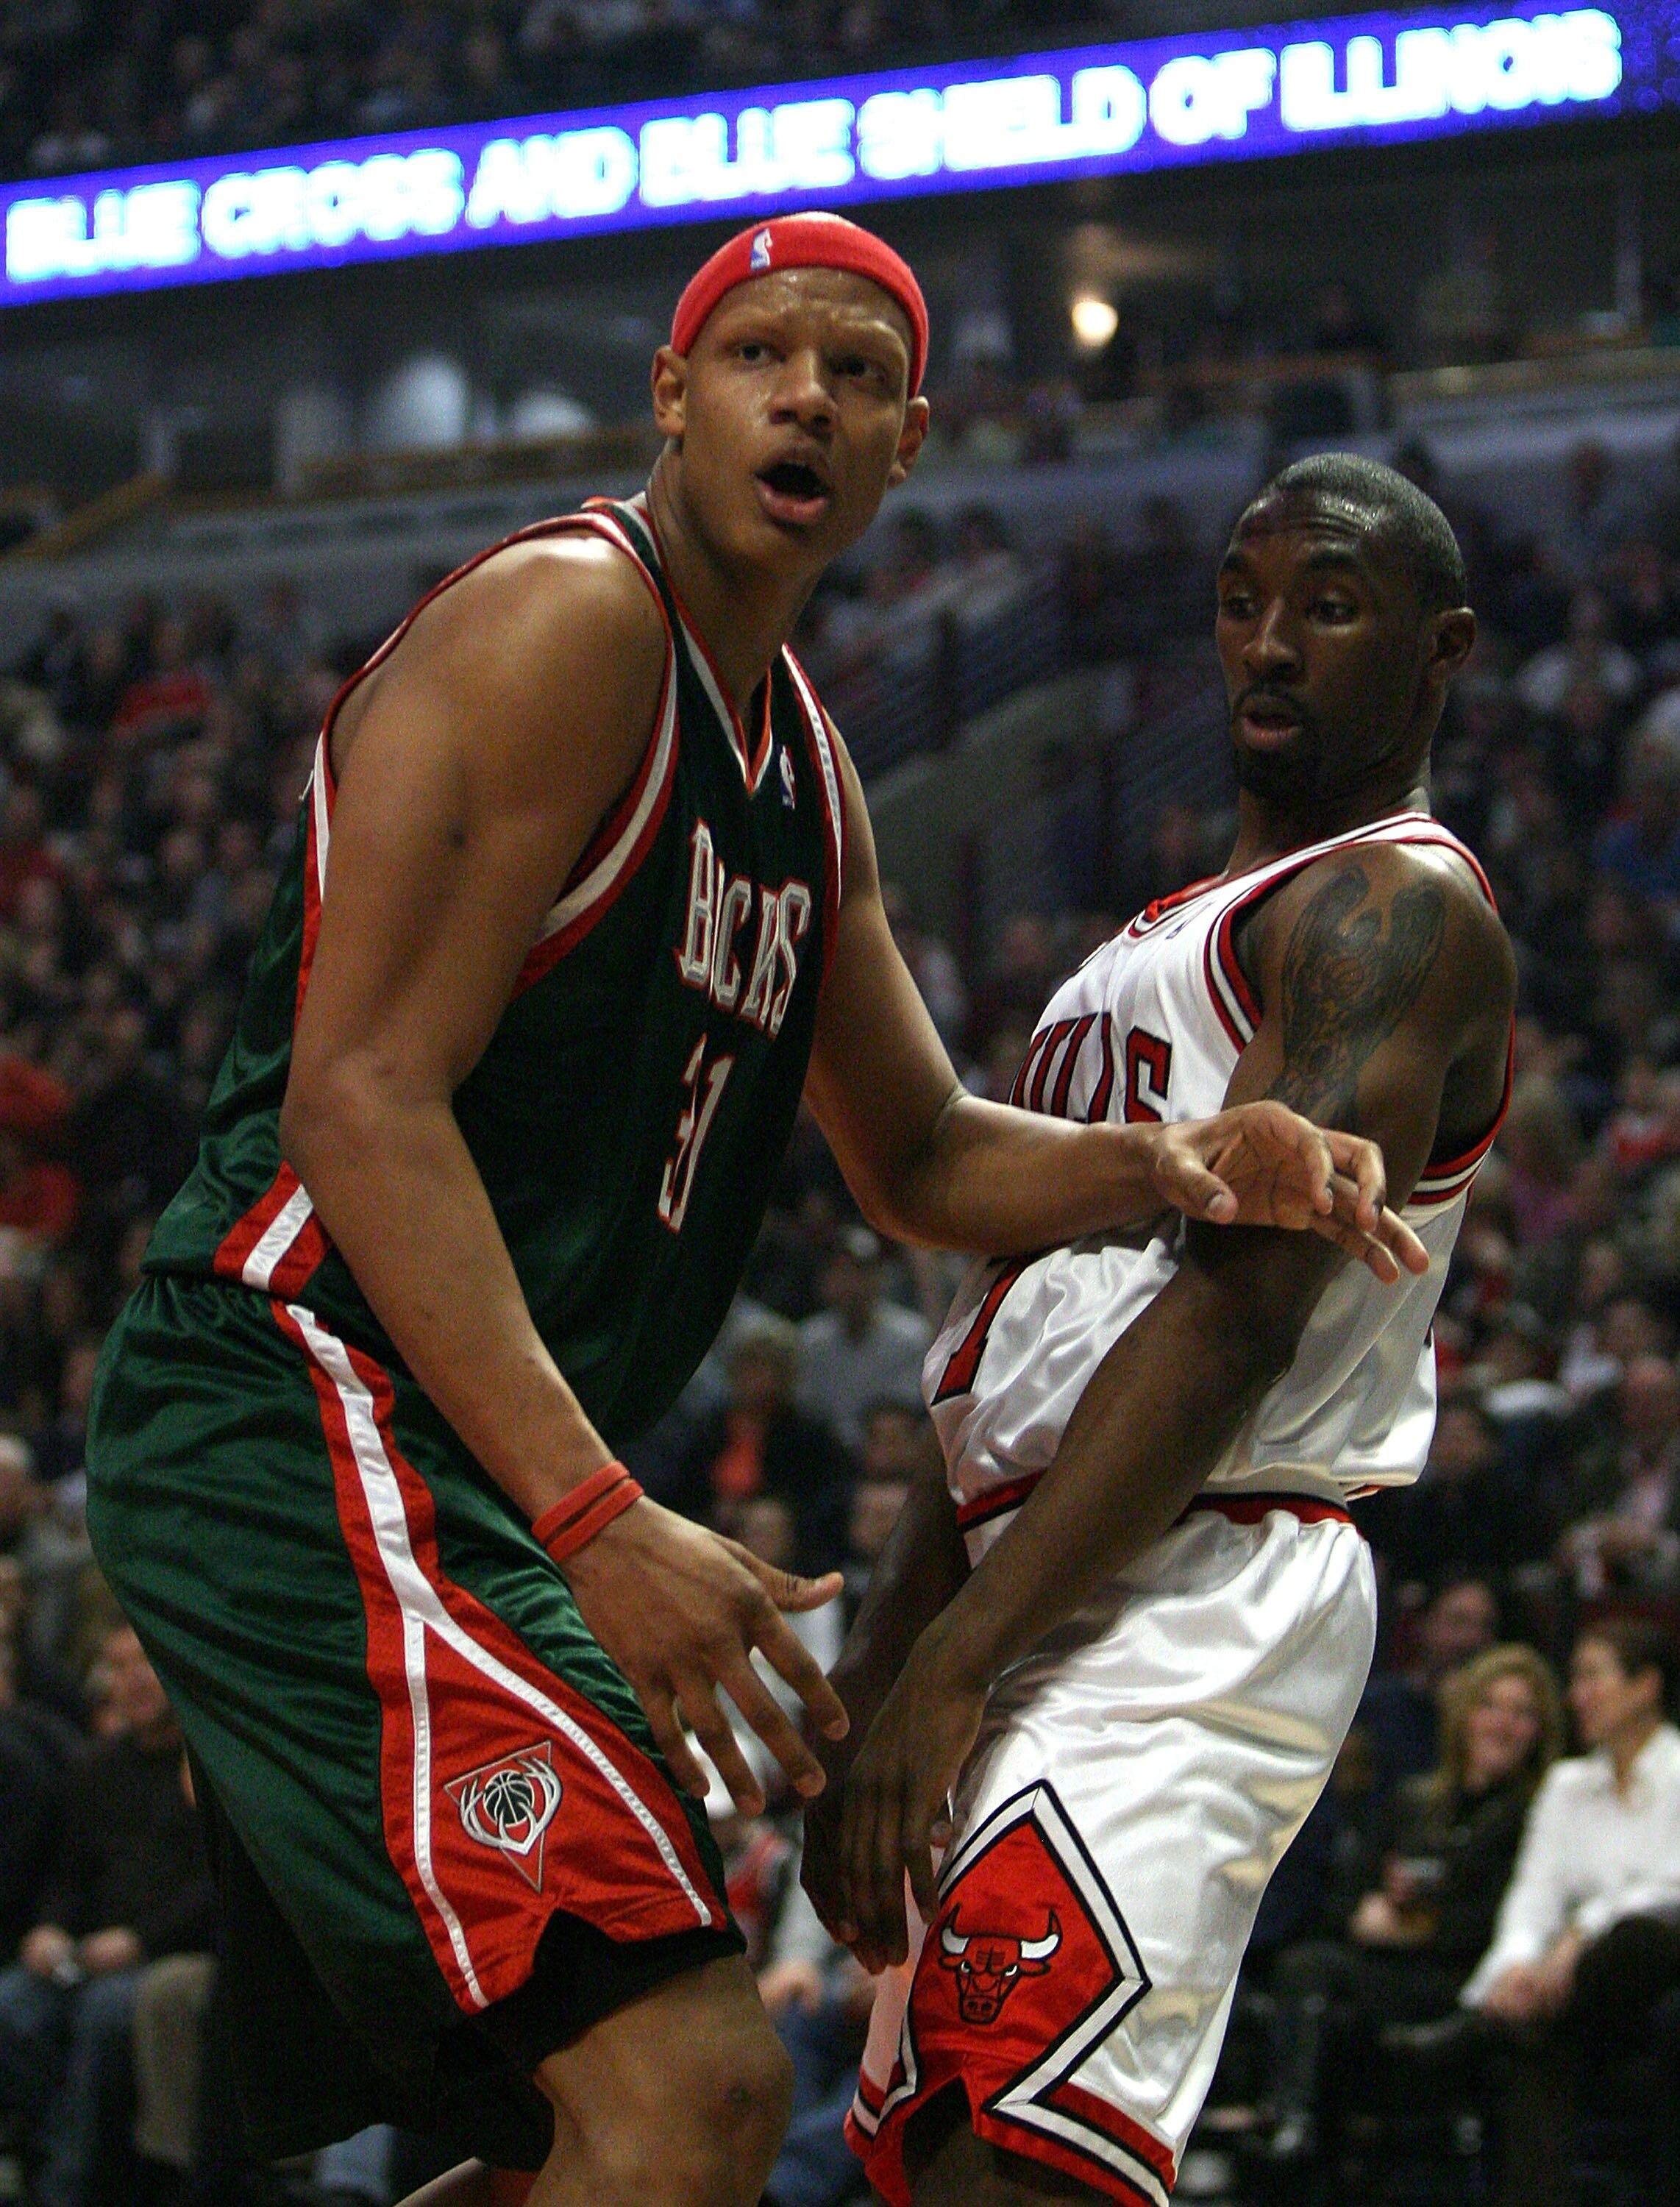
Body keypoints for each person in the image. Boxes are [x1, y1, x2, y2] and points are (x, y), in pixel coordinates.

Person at [83, 219, 1412, 2207]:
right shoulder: (566, 621)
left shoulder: (805, 765)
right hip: (299, 1399)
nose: (808, 395)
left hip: (458, 1461)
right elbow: (360, 1098)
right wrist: (603, 1517)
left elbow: (922, 1163)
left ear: (907, 446)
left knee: (588, 2133)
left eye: (857, 375)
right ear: (671, 400)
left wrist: (1173, 1160)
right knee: (696, 2091)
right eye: (761, 357)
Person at [803, 451, 1516, 2207]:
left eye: (1327, 606)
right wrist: (883, 1681)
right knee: (928, 2159)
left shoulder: (1392, 908)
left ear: (1439, 653)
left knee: (1015, 2169)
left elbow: (1228, 1322)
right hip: (1031, 1559)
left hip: (1196, 1575)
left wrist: (954, 1661)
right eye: (1240, 598)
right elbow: (1000, 1359)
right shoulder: (1139, 948)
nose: (1267, 644)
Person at [1265, 1643, 1563, 2165]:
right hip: (1377, 1968)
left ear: (1539, 1732)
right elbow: (1343, 1901)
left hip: (1457, 1980)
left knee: (1315, 1974)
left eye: (1523, 1713)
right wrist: (1369, 1916)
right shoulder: (1414, 1801)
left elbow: (1505, 1918)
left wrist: (1417, 1927)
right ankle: (1293, 2132)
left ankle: (1293, 2127)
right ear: (1466, 1714)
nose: (1503, 1723)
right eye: (1491, 1705)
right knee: (1308, 1973)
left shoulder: (1535, 1812)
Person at [1455, 1618, 1680, 2206]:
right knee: (1532, 2047)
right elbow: (1533, 1898)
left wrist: (1580, 1936)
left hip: (1648, 1976)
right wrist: (1516, 1968)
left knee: (1638, 1938)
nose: (1576, 1695)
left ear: (1645, 1686)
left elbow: (1671, 1883)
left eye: (1591, 1677)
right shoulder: (1565, 1785)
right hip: (1581, 2001)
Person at [0, 1624, 214, 2207]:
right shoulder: (94, 1768)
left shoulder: (208, 1767)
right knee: (15, 2006)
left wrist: (139, 1940)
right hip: (91, 1953)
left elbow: (216, 1891)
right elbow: (67, 1878)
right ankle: (42, 2155)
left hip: (176, 1954)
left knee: (105, 2014)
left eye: (143, 1663)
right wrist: (49, 1930)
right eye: (117, 1668)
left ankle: (70, 2187)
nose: (133, 1681)